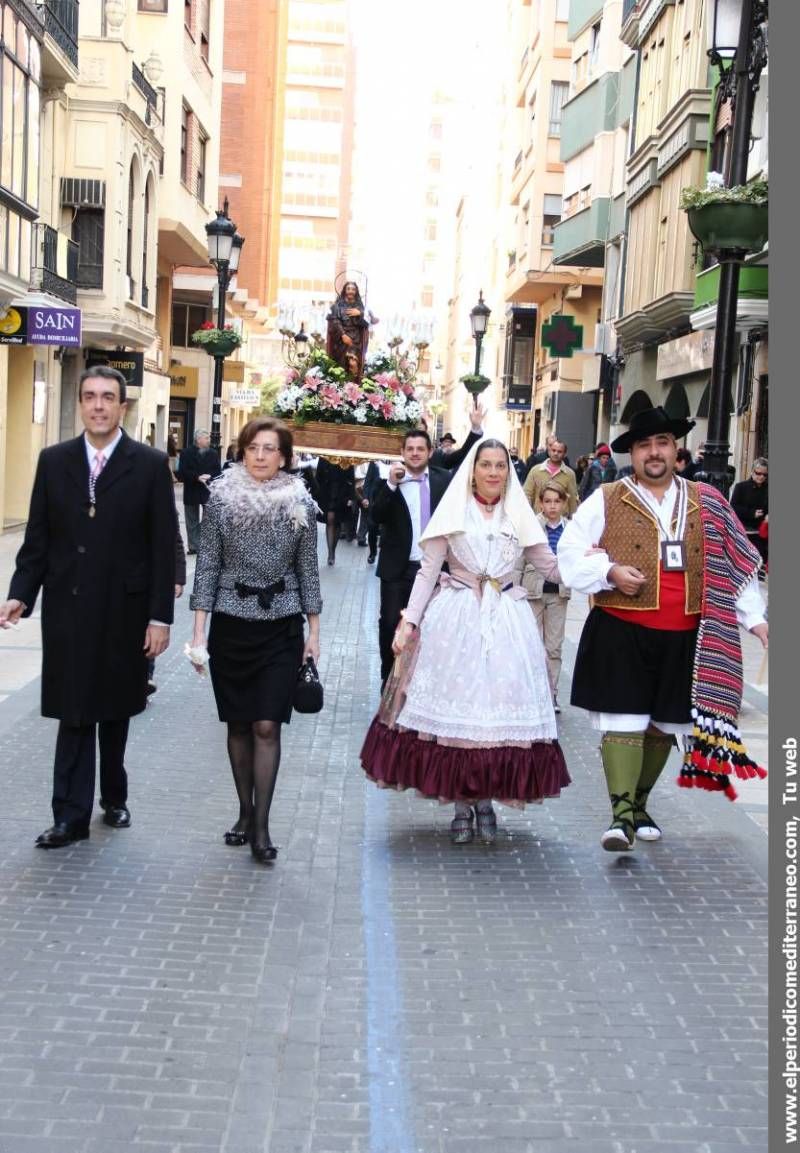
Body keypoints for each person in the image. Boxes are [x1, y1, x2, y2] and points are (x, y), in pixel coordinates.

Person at [557, 405, 768, 853]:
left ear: (676, 450)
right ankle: (620, 818)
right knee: (624, 719)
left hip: (685, 635)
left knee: (663, 725)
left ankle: (639, 803)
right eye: (643, 445)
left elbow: (736, 563)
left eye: (662, 444)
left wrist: (756, 619)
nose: (653, 453)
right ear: (631, 454)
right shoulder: (608, 497)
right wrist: (610, 571)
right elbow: (570, 554)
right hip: (620, 627)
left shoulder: (707, 500)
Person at [0, 366, 177, 848]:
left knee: (115, 710)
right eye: (90, 397)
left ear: (123, 407)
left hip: (125, 611)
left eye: (108, 398)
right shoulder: (54, 461)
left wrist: (160, 617)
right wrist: (20, 592)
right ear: (80, 404)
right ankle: (69, 816)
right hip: (70, 609)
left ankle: (113, 797)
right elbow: (37, 539)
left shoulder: (148, 465)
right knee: (74, 711)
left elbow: (163, 547)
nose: (98, 405)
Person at [361, 438, 570, 844]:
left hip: (507, 620)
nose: (493, 472)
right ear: (472, 470)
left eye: (500, 465)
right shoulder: (453, 510)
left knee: (493, 716)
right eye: (486, 464)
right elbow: (427, 571)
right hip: (455, 620)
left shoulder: (518, 514)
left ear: (509, 472)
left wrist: (598, 571)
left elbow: (550, 565)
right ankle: (461, 804)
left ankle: (486, 800)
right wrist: (408, 622)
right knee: (459, 718)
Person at [188, 416, 322, 865]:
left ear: (284, 457)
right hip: (230, 625)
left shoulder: (300, 503)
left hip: (281, 625)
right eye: (253, 448)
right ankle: (245, 811)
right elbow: (206, 566)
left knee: (267, 724)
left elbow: (308, 570)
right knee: (239, 724)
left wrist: (314, 633)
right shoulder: (221, 502)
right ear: (242, 452)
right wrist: (198, 633)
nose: (261, 456)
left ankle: (261, 826)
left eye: (270, 449)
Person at [370, 430, 453, 686]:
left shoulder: (444, 480)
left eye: (420, 448)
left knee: (430, 628)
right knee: (390, 626)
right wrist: (391, 485)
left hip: (436, 569)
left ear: (430, 452)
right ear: (402, 453)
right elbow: (375, 516)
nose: (415, 453)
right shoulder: (391, 481)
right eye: (410, 449)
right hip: (398, 570)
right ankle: (388, 679)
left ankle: (421, 684)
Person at [517, 483, 571, 713]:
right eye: (547, 501)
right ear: (540, 503)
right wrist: (515, 589)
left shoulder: (570, 528)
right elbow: (519, 559)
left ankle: (551, 694)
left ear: (563, 503)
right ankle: (529, 693)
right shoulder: (531, 526)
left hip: (559, 593)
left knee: (554, 647)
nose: (552, 506)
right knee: (530, 644)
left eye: (556, 501)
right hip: (532, 591)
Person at [178, 429, 222, 554]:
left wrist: (209, 476)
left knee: (208, 519)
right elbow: (182, 472)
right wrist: (197, 477)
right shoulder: (186, 453)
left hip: (207, 490)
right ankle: (193, 546)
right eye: (206, 438)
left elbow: (218, 472)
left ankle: (205, 545)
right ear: (198, 440)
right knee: (191, 520)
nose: (209, 440)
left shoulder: (213, 453)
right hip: (192, 489)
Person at [315, 458, 357, 565]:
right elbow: (318, 477)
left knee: (337, 521)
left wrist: (351, 497)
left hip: (342, 493)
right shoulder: (324, 456)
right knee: (330, 520)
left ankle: (333, 550)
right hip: (327, 492)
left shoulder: (346, 457)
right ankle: (330, 554)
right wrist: (316, 495)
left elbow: (351, 479)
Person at [523, 439, 579, 515]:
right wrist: (526, 516)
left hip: (560, 520)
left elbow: (572, 500)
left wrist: (573, 520)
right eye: (553, 450)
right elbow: (527, 494)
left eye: (559, 451)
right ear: (549, 451)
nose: (556, 453)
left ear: (564, 454)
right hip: (538, 519)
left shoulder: (569, 474)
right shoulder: (535, 470)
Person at [731, 458, 768, 571]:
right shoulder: (741, 487)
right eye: (758, 473)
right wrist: (751, 513)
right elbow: (733, 507)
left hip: (760, 534)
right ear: (752, 472)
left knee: (757, 565)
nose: (761, 477)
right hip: (743, 532)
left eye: (764, 474)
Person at [326, 280, 370, 378]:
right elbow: (334, 321)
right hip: (341, 339)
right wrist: (343, 335)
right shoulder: (337, 306)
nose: (350, 291)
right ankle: (340, 386)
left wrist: (360, 314)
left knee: (353, 364)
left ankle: (353, 385)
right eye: (348, 289)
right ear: (345, 290)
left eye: (353, 289)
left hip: (356, 340)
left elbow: (367, 323)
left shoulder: (360, 307)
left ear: (356, 292)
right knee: (341, 363)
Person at [429, 403, 486, 470]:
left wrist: (475, 428)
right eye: (446, 441)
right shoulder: (438, 453)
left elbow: (463, 453)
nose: (415, 453)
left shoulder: (438, 457)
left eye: (450, 442)